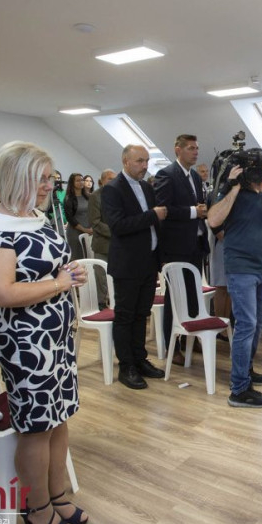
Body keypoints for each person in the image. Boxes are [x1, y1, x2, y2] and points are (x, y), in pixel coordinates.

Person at [0, 141, 88, 524]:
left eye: (49, 178)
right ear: (15, 177)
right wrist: (59, 282)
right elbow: (1, 293)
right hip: (26, 341)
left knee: (59, 420)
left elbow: (49, 269)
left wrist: (68, 274)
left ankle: (57, 496)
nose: (48, 186)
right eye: (39, 179)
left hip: (56, 336)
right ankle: (36, 508)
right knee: (37, 428)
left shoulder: (35, 216)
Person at [208, 151, 262, 408]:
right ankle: (239, 388)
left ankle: (246, 369)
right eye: (256, 169)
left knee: (256, 325)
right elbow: (213, 219)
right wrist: (234, 187)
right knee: (246, 325)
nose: (260, 172)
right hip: (241, 269)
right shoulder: (231, 192)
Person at [101, 145, 167, 390]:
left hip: (148, 262)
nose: (145, 166)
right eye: (140, 161)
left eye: (147, 160)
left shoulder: (147, 188)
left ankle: (140, 359)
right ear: (125, 161)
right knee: (126, 316)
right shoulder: (112, 189)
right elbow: (118, 226)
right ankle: (126, 366)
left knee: (142, 314)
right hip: (128, 264)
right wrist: (152, 215)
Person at [154, 134, 209, 355]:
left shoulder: (194, 176)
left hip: (196, 243)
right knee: (175, 297)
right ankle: (172, 345)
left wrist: (201, 211)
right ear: (178, 150)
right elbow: (164, 209)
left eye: (196, 148)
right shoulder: (166, 175)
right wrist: (194, 211)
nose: (195, 152)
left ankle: (190, 337)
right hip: (176, 246)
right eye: (190, 148)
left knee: (194, 295)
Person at [87, 168, 117, 310]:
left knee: (117, 275)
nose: (112, 181)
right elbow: (95, 222)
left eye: (114, 179)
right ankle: (101, 302)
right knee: (101, 276)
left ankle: (115, 301)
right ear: (102, 180)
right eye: (110, 179)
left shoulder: (118, 194)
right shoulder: (95, 196)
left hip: (118, 244)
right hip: (102, 243)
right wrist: (115, 231)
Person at [63, 172, 91, 259]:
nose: (81, 182)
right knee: (78, 258)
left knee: (89, 257)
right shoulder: (69, 199)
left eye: (82, 180)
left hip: (89, 231)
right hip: (75, 232)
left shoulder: (88, 196)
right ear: (72, 183)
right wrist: (84, 229)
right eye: (78, 181)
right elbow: (70, 218)